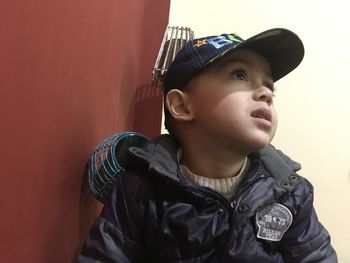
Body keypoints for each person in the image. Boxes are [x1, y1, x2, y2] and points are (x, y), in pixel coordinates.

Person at [78, 28, 337, 262]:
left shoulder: (289, 192)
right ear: (182, 106)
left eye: (269, 85)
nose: (266, 93)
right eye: (240, 75)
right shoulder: (142, 189)